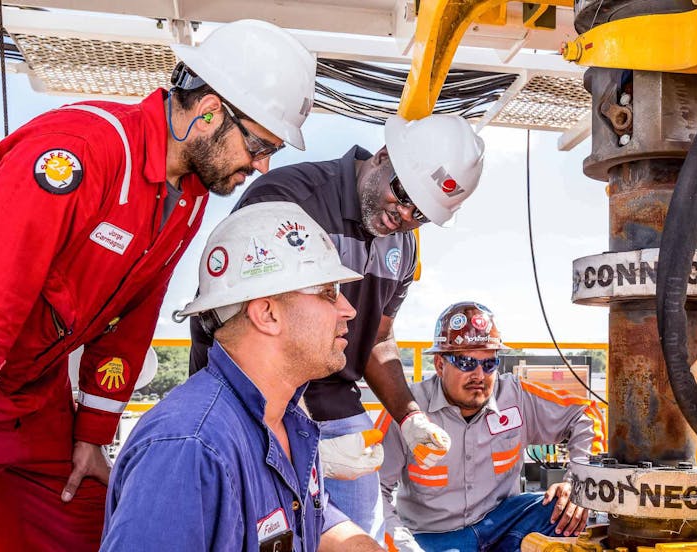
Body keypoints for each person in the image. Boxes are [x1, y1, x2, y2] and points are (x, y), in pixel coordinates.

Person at [0, 19, 315, 550]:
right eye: (259, 145)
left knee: (91, 523)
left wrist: (92, 435)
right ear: (210, 111)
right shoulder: (79, 152)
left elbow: (133, 318)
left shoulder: (186, 197)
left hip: (35, 399)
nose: (260, 166)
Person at [188, 114, 486, 538]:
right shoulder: (290, 199)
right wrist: (292, 435)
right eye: (402, 193)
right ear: (384, 156)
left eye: (421, 212)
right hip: (251, 402)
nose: (403, 214)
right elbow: (239, 325)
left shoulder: (401, 244)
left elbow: (379, 337)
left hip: (334, 401)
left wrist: (409, 416)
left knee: (356, 533)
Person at [103, 202, 383, 551]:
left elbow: (311, 521)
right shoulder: (187, 449)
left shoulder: (287, 421)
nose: (349, 310)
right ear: (267, 313)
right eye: (328, 292)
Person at [377, 302, 607, 552]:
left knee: (561, 510)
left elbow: (586, 413)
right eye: (465, 363)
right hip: (434, 538)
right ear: (440, 365)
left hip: (501, 524)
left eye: (489, 364)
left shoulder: (516, 397)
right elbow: (374, 489)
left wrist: (578, 481)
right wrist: (402, 546)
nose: (479, 375)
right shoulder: (406, 410)